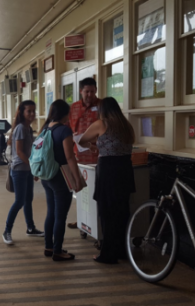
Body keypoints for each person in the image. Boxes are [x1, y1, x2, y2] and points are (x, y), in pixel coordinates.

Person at [79, 97, 135, 264]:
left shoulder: (101, 124)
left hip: (108, 170)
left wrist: (94, 145)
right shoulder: (126, 125)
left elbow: (81, 140)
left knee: (107, 212)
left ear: (102, 110)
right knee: (122, 211)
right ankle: (122, 250)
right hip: (125, 169)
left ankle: (108, 254)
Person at [40, 99, 85, 261]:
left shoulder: (45, 128)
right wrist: (77, 180)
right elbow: (69, 157)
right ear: (65, 113)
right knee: (60, 216)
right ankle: (58, 251)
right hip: (61, 179)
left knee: (51, 213)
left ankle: (49, 246)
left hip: (47, 177)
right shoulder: (64, 131)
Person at [2, 100, 44, 245]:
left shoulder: (27, 128)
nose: (32, 114)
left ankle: (31, 228)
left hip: (27, 170)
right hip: (19, 170)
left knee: (28, 200)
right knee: (19, 201)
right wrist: (34, 167)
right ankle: (7, 231)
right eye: (29, 111)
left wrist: (33, 170)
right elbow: (19, 151)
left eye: (34, 111)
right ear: (22, 112)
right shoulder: (20, 128)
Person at [67, 77, 101, 230]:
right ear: (81, 91)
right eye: (86, 92)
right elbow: (68, 127)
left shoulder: (102, 106)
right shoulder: (73, 108)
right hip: (78, 155)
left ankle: (95, 222)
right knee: (80, 189)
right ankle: (81, 219)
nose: (89, 95)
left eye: (92, 92)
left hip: (97, 155)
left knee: (96, 191)